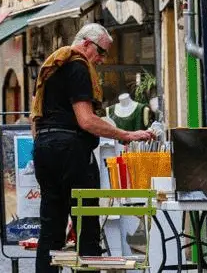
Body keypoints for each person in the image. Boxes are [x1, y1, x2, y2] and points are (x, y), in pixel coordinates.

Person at [32, 24, 155, 273]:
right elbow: (86, 120)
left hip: (44, 147)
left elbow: (35, 118)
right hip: (70, 150)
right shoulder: (77, 66)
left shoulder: (52, 66)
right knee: (86, 224)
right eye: (101, 52)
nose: (102, 59)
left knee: (51, 227)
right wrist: (126, 134)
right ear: (87, 43)